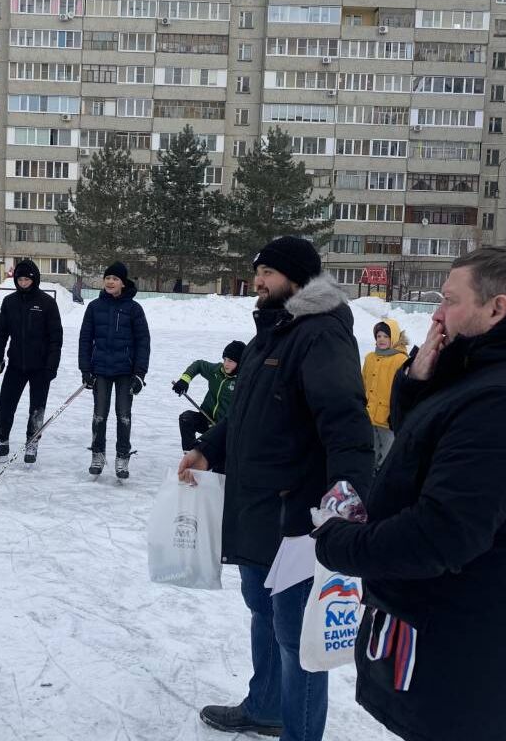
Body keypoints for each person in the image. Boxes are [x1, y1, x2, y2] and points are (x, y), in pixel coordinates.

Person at [311, 248, 506, 741]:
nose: (436, 314)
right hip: (453, 639)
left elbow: (440, 536)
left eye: (450, 300)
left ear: (496, 309)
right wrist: (418, 385)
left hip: (473, 659)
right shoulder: (490, 371)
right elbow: (429, 452)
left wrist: (337, 541)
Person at [177, 236, 374, 741]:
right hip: (258, 508)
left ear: (297, 277)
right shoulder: (274, 331)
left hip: (296, 518)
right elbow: (246, 410)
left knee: (296, 637)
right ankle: (265, 707)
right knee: (262, 613)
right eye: (257, 271)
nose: (258, 281)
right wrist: (209, 449)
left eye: (267, 272)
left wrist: (347, 498)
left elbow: (346, 424)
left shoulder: (321, 335)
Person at [0, 260, 62, 464]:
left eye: (27, 279)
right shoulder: (10, 302)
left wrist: (52, 365)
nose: (23, 283)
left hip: (40, 366)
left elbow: (56, 337)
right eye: (20, 279)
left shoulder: (46, 303)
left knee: (37, 407)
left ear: (34, 280)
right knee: (5, 404)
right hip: (16, 363)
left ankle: (32, 441)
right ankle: (1, 442)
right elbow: (1, 333)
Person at [78, 262, 150, 479]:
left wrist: (140, 373)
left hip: (125, 372)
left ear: (123, 283)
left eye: (115, 279)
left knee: (123, 416)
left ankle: (122, 456)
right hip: (100, 370)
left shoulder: (134, 309)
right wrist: (85, 370)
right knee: (99, 415)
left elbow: (143, 342)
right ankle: (98, 454)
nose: (110, 281)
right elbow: (85, 339)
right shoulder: (94, 307)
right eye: (108, 277)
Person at [172, 340, 245, 455]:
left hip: (225, 429)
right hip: (206, 418)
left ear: (239, 362)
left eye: (230, 361)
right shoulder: (216, 371)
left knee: (220, 466)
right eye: (224, 359)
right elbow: (199, 364)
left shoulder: (243, 381)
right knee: (186, 419)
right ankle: (190, 455)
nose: (226, 364)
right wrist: (185, 380)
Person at [362, 320, 409, 466]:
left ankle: (383, 477)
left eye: (385, 336)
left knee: (388, 453)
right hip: (370, 415)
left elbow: (404, 390)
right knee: (371, 450)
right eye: (379, 336)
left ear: (393, 337)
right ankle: (372, 475)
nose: (381, 339)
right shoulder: (370, 358)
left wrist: (397, 413)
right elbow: (363, 381)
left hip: (388, 418)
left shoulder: (400, 360)